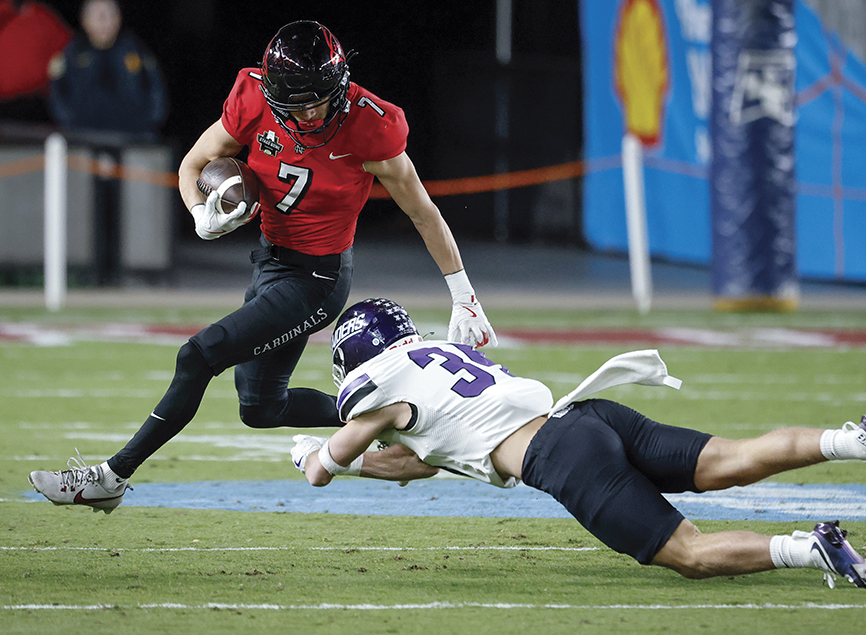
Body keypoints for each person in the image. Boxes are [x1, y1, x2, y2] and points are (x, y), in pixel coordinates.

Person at [28, 22, 496, 514]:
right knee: (259, 408)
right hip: (271, 263)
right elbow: (195, 162)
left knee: (197, 356)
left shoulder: (370, 123)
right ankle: (399, 421)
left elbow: (422, 210)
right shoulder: (252, 96)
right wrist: (199, 215)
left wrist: (462, 292)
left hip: (318, 278)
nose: (309, 113)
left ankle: (109, 477)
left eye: (318, 100)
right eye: (296, 103)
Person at [289, 298, 866, 589]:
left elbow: (335, 458)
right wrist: (356, 466)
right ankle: (856, 438)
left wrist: (313, 457)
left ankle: (811, 548)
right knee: (731, 458)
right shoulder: (440, 355)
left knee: (688, 554)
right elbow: (417, 461)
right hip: (589, 413)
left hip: (562, 456)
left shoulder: (382, 384)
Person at [46, 0, 167, 137]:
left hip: (132, 139)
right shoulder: (71, 54)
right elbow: (57, 95)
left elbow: (156, 92)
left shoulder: (135, 51)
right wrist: (70, 127)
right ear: (84, 19)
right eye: (97, 16)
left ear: (119, 18)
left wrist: (147, 127)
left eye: (110, 15)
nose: (104, 21)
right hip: (83, 138)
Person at [0, 0, 72, 120]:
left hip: (36, 103)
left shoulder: (42, 16)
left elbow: (69, 48)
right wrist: (9, 8)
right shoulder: (4, 14)